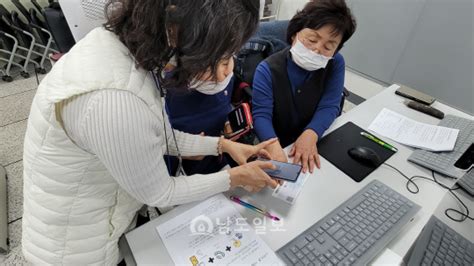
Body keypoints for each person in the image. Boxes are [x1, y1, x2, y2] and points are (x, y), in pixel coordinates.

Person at [21, 0, 279, 264]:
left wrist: (222, 146)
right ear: (178, 28)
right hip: (77, 248)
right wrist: (233, 178)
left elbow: (155, 135)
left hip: (108, 213)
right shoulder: (115, 99)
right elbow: (159, 192)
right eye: (218, 55)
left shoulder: (128, 49)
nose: (224, 72)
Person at [252, 0, 356, 173]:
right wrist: (273, 145)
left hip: (319, 137)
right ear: (294, 34)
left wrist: (311, 133)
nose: (316, 50)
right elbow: (261, 116)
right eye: (312, 39)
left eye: (328, 46)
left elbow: (330, 105)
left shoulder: (335, 63)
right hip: (281, 142)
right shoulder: (267, 70)